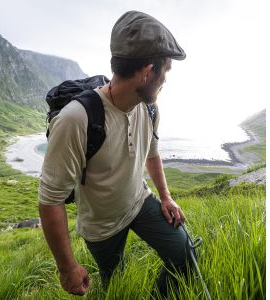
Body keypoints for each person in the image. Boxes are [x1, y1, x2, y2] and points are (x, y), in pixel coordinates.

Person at [38, 10, 191, 297]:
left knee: (184, 253)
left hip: (139, 202)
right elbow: (50, 200)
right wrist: (67, 268)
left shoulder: (150, 108)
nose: (165, 81)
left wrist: (166, 196)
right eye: (165, 71)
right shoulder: (76, 120)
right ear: (147, 71)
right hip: (101, 227)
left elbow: (152, 153)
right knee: (117, 285)